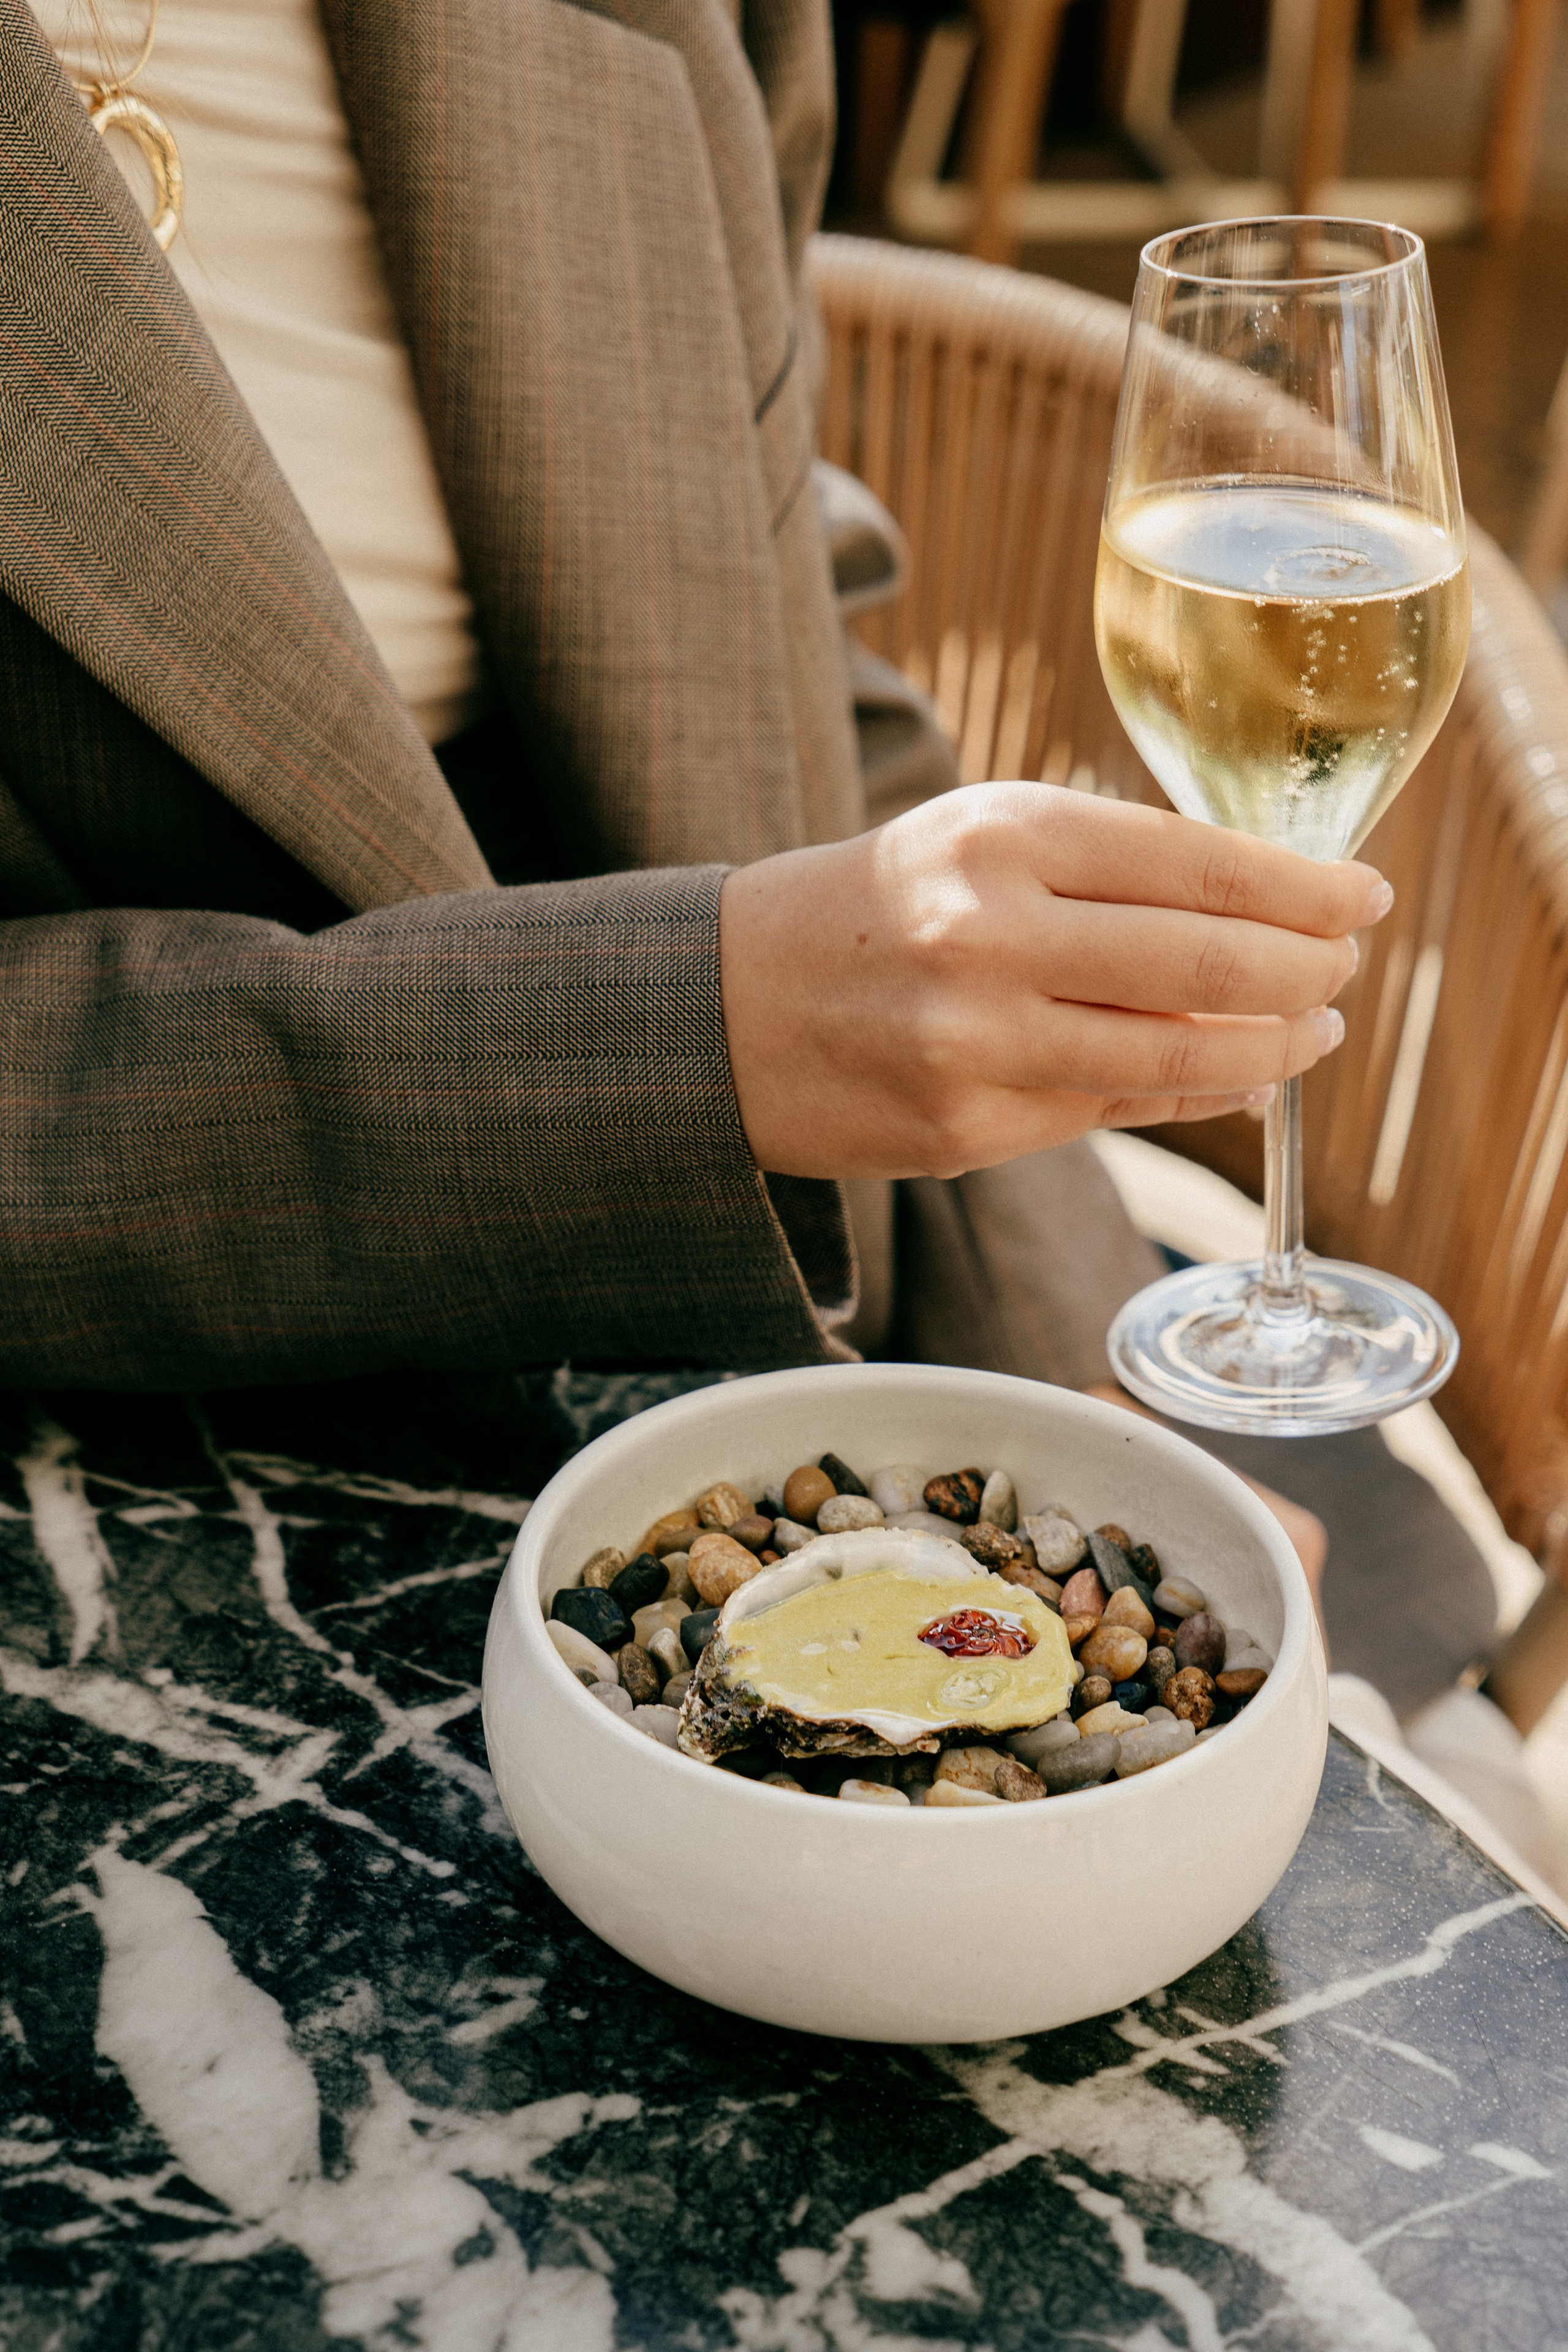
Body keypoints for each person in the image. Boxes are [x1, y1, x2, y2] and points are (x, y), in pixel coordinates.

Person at [0, 0, 1376, 1404]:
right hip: (187, 1451)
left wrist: (1089, 1389)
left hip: (816, 1315)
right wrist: (666, 1048)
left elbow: (799, 665)